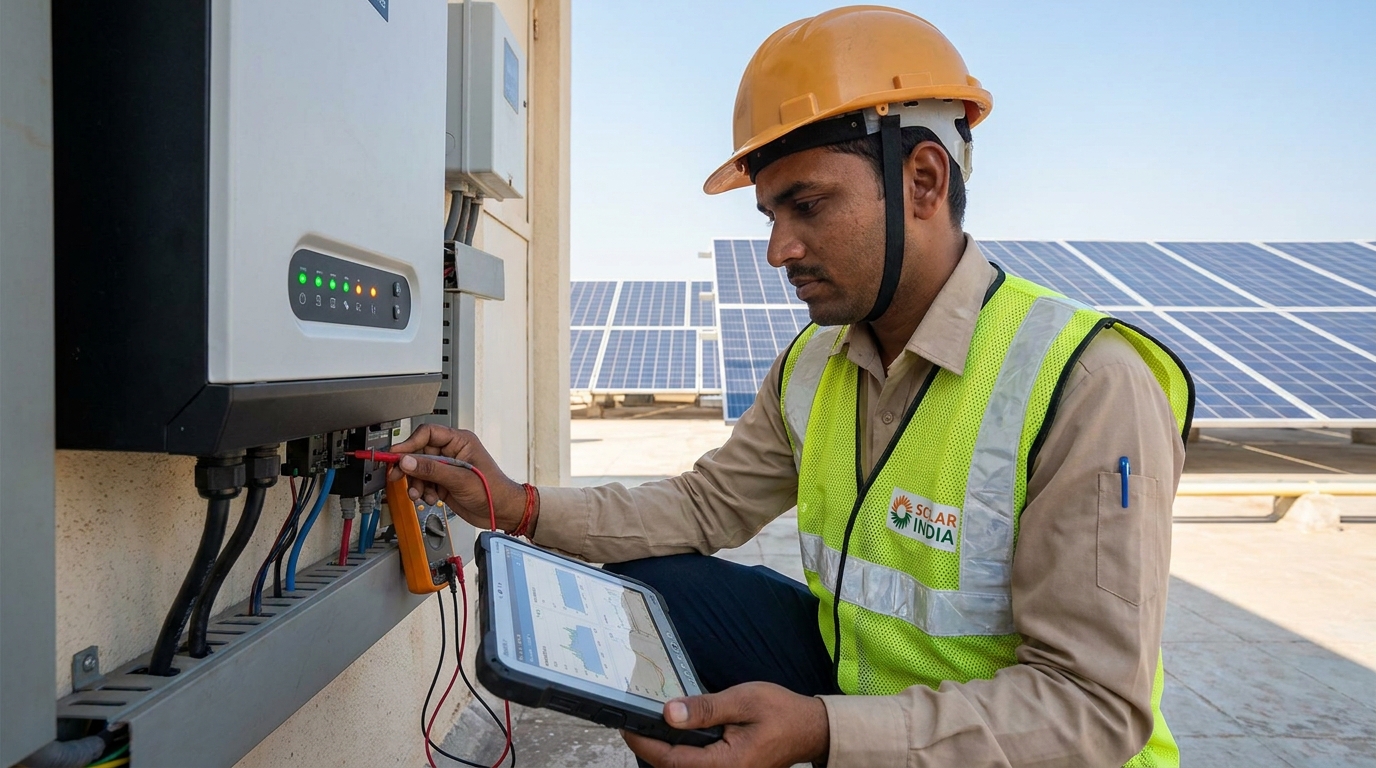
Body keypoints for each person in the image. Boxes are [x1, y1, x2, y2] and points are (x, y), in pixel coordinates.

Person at [390, 6, 1194, 767]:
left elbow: (1093, 709)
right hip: (863, 686)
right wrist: (515, 502)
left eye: (806, 205)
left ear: (923, 181)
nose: (778, 250)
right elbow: (703, 507)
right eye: (770, 214)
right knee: (654, 588)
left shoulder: (1087, 383)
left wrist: (824, 733)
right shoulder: (817, 360)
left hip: (1007, 745)